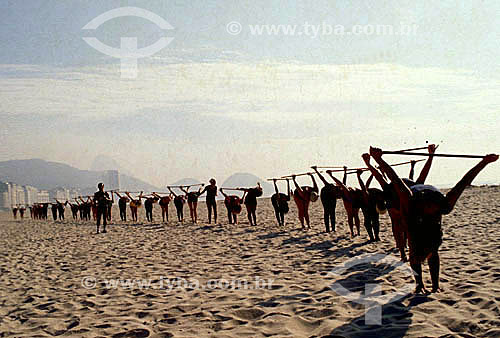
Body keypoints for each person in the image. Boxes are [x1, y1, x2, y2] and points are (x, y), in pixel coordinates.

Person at [369, 146, 497, 293]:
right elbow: (462, 183)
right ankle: (420, 284)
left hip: (419, 203)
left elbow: (396, 179)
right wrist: (484, 162)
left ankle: (434, 285)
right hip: (421, 200)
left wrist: (378, 159)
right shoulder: (440, 205)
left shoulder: (415, 203)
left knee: (429, 251)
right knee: (417, 252)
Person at [362, 144, 437, 261]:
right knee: (401, 228)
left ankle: (403, 252)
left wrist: (370, 163)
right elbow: (421, 176)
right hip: (405, 201)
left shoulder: (391, 195)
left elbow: (382, 177)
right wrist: (430, 156)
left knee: (400, 228)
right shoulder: (395, 199)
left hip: (405, 200)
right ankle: (403, 252)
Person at [326, 169, 363, 237]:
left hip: (355, 200)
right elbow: (343, 182)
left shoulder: (345, 190)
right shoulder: (344, 191)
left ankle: (356, 232)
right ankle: (354, 232)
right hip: (353, 200)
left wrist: (331, 175)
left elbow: (341, 183)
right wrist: (345, 171)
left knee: (353, 216)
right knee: (352, 216)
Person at [356, 170, 386, 242]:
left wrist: (359, 176)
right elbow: (365, 186)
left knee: (374, 222)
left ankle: (375, 237)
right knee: (370, 223)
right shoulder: (367, 195)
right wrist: (373, 174)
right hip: (368, 208)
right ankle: (373, 237)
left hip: (372, 209)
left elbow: (364, 187)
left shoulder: (370, 196)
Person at [312, 167, 341, 232]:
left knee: (332, 213)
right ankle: (327, 229)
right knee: (327, 213)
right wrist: (316, 170)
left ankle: (333, 228)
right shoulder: (329, 186)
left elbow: (342, 183)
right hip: (325, 198)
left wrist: (345, 172)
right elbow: (322, 178)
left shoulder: (337, 189)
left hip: (332, 199)